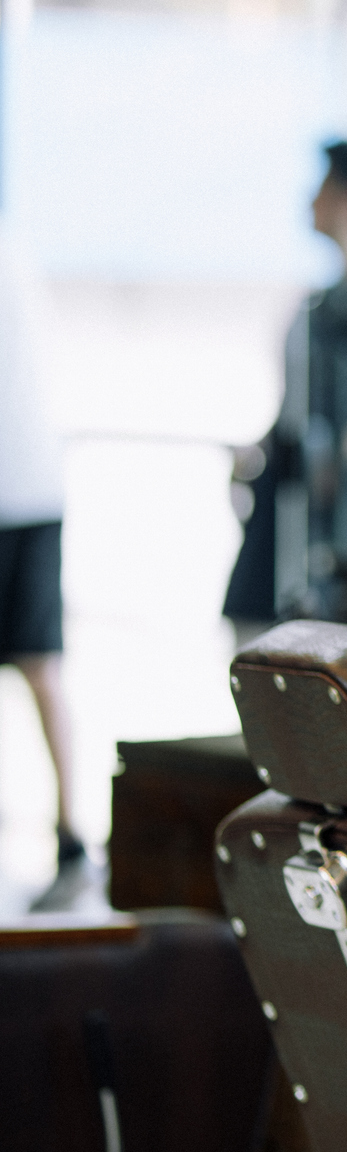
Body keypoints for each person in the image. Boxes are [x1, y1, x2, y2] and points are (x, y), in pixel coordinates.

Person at [224, 142, 347, 638]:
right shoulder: (316, 308)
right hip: (285, 514)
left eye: (324, 188)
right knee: (257, 637)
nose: (311, 200)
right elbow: (295, 408)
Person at [0, 217, 93, 912]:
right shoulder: (16, 244)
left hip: (20, 486)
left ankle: (71, 842)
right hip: (35, 483)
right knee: (43, 668)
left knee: (42, 671)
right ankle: (72, 841)